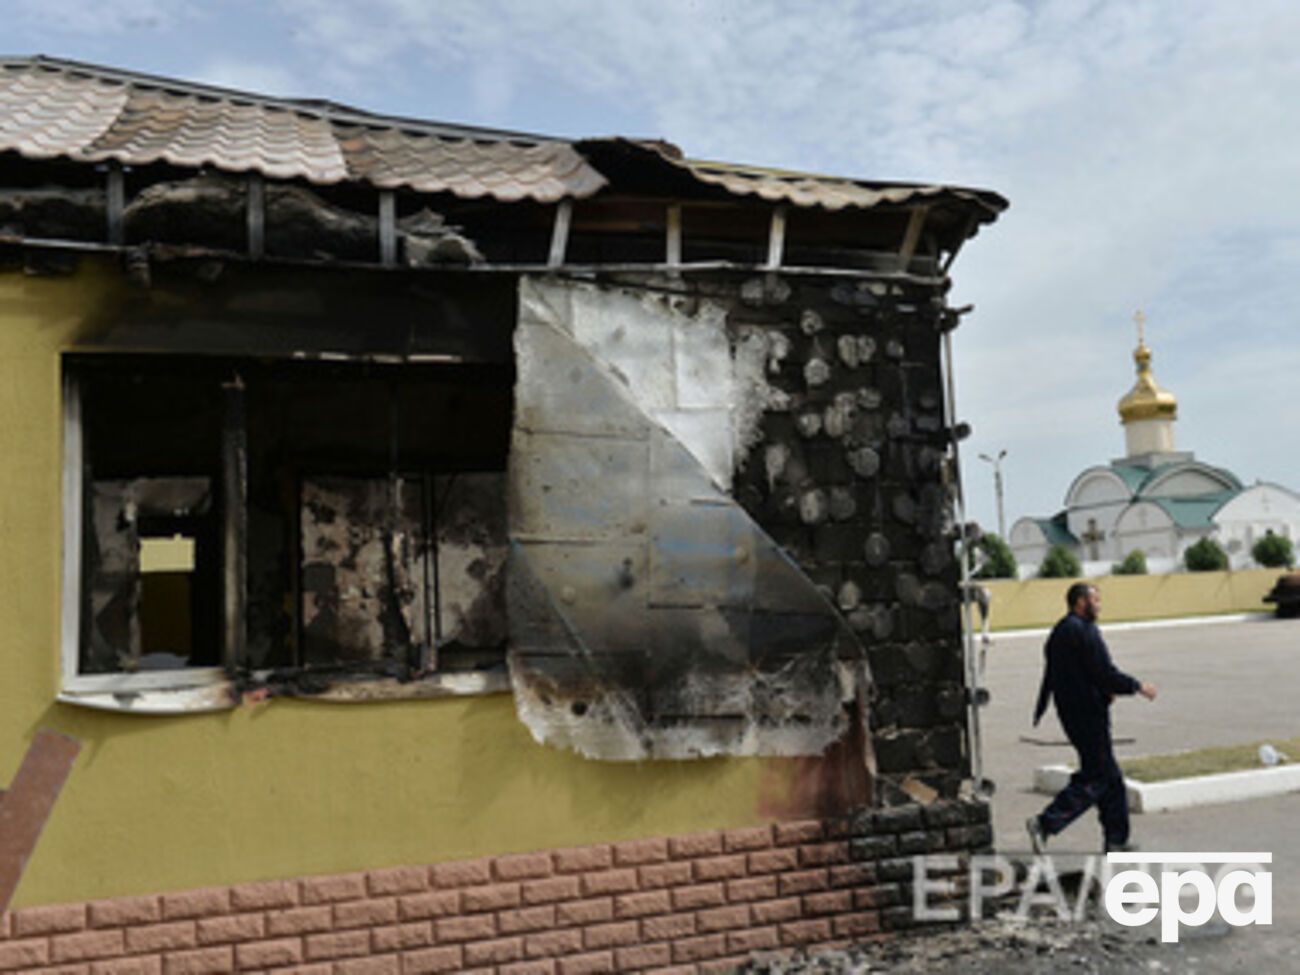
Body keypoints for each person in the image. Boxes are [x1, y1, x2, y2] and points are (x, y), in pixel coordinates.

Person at [1026, 583, 1157, 854]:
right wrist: (1136, 686)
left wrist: (1102, 689)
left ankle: (1116, 841)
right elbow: (1102, 671)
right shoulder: (1083, 631)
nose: (1099, 604)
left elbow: (1072, 673)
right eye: (1095, 599)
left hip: (1073, 712)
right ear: (1080, 602)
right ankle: (1045, 823)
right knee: (1097, 777)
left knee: (1111, 779)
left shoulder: (1061, 630)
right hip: (1087, 715)